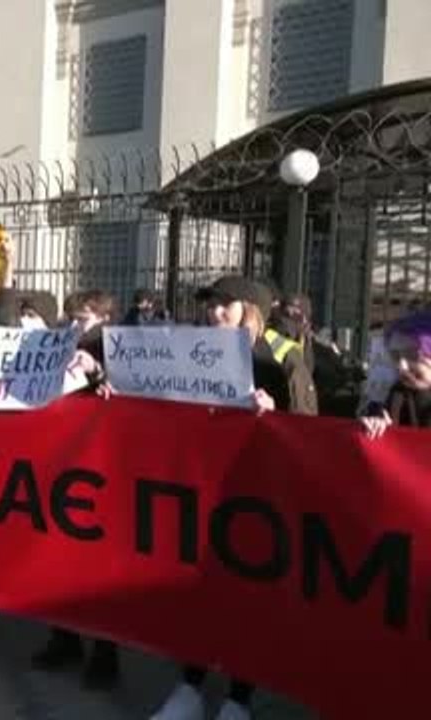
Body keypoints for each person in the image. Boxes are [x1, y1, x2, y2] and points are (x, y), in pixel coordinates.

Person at [151, 275, 314, 720]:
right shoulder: (195, 349)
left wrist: (276, 415)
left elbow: (310, 427)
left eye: (226, 304)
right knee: (199, 591)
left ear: (250, 310)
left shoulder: (283, 355)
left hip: (258, 495)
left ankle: (239, 698)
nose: (215, 312)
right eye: (211, 305)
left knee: (249, 599)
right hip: (203, 487)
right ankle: (190, 687)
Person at [30, 289, 121, 688]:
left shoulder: (120, 348)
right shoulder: (59, 343)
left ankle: (105, 653)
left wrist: (99, 374)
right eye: (70, 318)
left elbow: (136, 395)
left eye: (82, 319)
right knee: (57, 559)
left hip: (99, 470)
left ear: (104, 319)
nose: (74, 325)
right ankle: (63, 638)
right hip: (61, 462)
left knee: (97, 568)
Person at [361, 310, 431, 435]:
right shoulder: (398, 393)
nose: (401, 366)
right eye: (396, 356)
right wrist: (378, 424)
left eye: (411, 355)